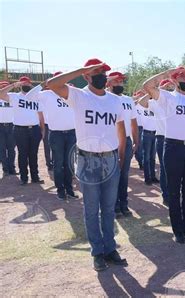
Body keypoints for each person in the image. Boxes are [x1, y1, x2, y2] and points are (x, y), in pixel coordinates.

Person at [47, 58, 127, 271]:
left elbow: (120, 129)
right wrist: (81, 68)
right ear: (87, 76)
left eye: (103, 71)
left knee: (109, 208)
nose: (101, 75)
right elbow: (52, 84)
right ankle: (97, 252)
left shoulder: (114, 100)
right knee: (91, 208)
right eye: (96, 71)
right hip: (87, 159)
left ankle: (110, 248)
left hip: (110, 158)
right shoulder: (78, 95)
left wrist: (120, 154)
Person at [143, 66, 185, 243]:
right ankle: (178, 230)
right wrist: (166, 74)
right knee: (174, 192)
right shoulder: (168, 98)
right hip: (173, 148)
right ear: (175, 80)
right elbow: (147, 86)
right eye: (183, 77)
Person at [29, 72, 77, 200]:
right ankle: (60, 190)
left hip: (72, 133)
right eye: (57, 80)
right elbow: (29, 96)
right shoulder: (47, 94)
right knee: (58, 163)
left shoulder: (71, 92)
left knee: (69, 164)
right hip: (56, 134)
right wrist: (43, 84)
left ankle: (69, 189)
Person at [107, 71, 139, 216]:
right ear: (109, 82)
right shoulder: (104, 98)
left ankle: (123, 204)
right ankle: (113, 206)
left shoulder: (128, 100)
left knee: (124, 175)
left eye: (121, 82)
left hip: (125, 141)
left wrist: (136, 140)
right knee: (112, 176)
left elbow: (133, 122)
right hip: (110, 142)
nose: (119, 84)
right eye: (116, 81)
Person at [0, 76, 44, 185]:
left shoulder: (36, 97)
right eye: (23, 84)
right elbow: (1, 94)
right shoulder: (14, 96)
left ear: (31, 85)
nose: (26, 86)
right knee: (22, 154)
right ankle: (24, 178)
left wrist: (42, 130)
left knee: (33, 154)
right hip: (20, 130)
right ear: (20, 85)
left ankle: (35, 177)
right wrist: (13, 85)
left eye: (27, 84)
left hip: (34, 129)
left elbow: (40, 115)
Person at [0, 80, 16, 176]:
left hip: (11, 125)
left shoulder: (12, 97)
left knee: (11, 149)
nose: (4, 88)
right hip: (0, 126)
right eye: (2, 86)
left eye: (6, 86)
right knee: (1, 149)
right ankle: (5, 169)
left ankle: (12, 168)